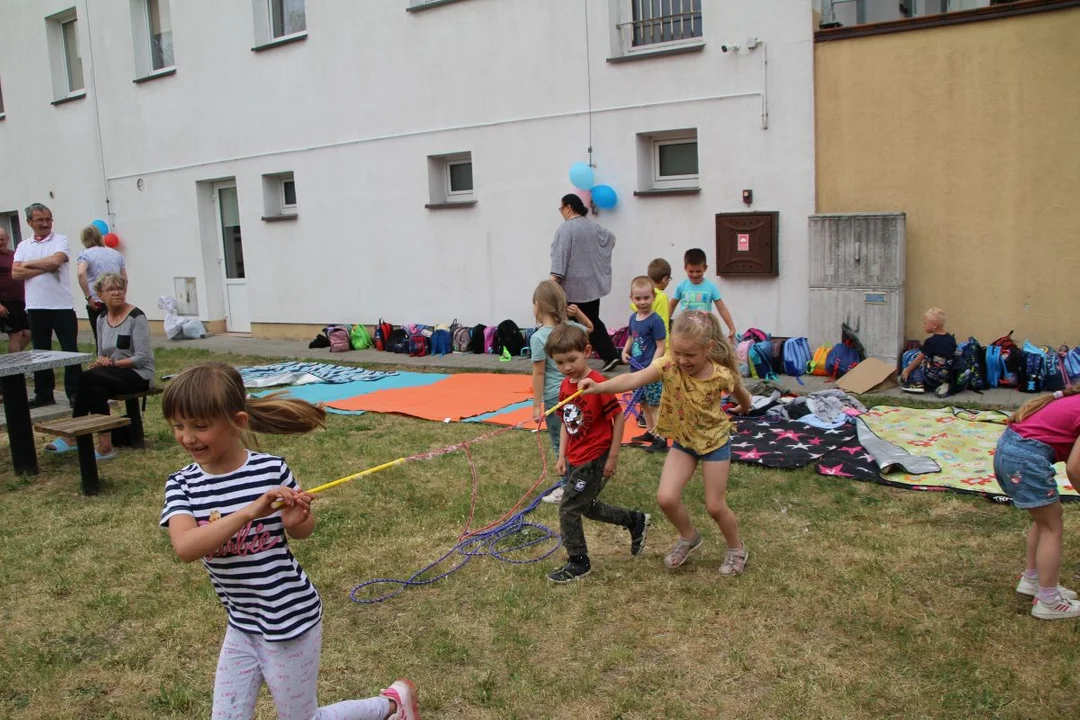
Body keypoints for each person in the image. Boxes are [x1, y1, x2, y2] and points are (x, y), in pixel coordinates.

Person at [159, 363, 420, 719]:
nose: (187, 437)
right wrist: (249, 512)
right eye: (178, 426)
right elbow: (186, 547)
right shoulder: (183, 485)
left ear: (237, 421)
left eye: (200, 426)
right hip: (242, 622)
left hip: (291, 620)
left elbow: (300, 532)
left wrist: (297, 520)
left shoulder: (270, 469)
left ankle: (392, 705)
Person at [580, 311, 752, 575]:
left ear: (708, 348)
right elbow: (633, 379)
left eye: (690, 355)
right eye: (678, 352)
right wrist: (600, 386)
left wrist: (744, 406)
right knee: (666, 498)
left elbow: (741, 392)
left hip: (714, 444)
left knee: (715, 506)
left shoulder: (720, 374)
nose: (682, 360)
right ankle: (689, 537)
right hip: (684, 442)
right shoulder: (667, 365)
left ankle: (736, 548)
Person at [544, 324, 648, 583]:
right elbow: (568, 423)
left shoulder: (599, 383)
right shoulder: (565, 387)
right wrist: (561, 457)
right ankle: (634, 520)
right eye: (559, 363)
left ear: (587, 351)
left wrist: (612, 457)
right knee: (585, 506)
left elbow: (620, 419)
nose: (567, 367)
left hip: (595, 457)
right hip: (575, 459)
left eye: (572, 359)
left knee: (569, 508)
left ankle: (578, 561)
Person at [992, 387, 1080, 620]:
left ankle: (1032, 580)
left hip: (1006, 453)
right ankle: (1048, 601)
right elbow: (1074, 467)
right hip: (1025, 461)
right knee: (1053, 526)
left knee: (1044, 520)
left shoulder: (1071, 399)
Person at [47, 273, 153, 459]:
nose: (116, 293)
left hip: (138, 375)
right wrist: (101, 361)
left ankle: (75, 434)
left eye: (120, 288)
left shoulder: (137, 317)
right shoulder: (101, 318)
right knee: (95, 387)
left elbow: (142, 358)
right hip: (110, 374)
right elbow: (102, 351)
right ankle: (105, 446)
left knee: (87, 378)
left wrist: (112, 363)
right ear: (100, 295)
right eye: (111, 289)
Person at [530, 279, 594, 505]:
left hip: (556, 400)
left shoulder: (538, 338)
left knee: (561, 443)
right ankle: (583, 481)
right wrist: (578, 314)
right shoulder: (572, 328)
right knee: (579, 437)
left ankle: (569, 486)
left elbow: (539, 374)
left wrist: (537, 405)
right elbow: (590, 329)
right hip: (579, 394)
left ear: (538, 306)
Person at [11, 203, 81, 407]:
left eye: (48, 219)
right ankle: (44, 393)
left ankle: (75, 393)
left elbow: (56, 262)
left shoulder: (60, 240)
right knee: (40, 351)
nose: (45, 224)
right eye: (39, 220)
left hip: (61, 306)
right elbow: (15, 273)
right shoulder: (24, 246)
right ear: (29, 222)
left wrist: (27, 264)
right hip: (35, 306)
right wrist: (42, 267)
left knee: (70, 350)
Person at [549, 193, 621, 371]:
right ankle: (605, 355)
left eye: (561, 209)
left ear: (568, 207)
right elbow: (611, 239)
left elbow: (561, 256)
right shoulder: (593, 226)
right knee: (591, 321)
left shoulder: (566, 229)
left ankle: (604, 356)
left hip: (573, 286)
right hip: (592, 284)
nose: (561, 213)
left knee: (576, 325)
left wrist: (553, 280)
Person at [622, 276, 667, 453]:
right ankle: (651, 431)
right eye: (638, 298)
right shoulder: (633, 318)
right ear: (632, 298)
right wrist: (625, 351)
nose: (642, 302)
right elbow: (631, 337)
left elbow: (661, 346)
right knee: (644, 404)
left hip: (651, 372)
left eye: (646, 297)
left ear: (653, 297)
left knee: (655, 405)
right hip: (636, 371)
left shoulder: (655, 321)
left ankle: (661, 439)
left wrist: (652, 367)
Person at [668, 248, 737, 343]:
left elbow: (722, 308)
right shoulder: (681, 286)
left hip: (705, 329)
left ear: (705, 268)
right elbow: (671, 305)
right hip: (686, 329)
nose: (695, 275)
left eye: (698, 271)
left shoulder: (711, 287)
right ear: (685, 268)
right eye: (691, 271)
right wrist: (664, 323)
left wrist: (731, 327)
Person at [77, 224, 126, 347]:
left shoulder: (85, 255)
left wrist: (88, 297)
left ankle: (103, 360)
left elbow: (81, 273)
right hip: (116, 299)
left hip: (98, 300)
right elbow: (124, 278)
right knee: (118, 333)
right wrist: (122, 294)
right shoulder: (116, 254)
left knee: (101, 336)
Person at [899, 308, 956, 397]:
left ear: (934, 325)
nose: (923, 325)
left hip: (931, 377)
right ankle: (943, 385)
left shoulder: (931, 341)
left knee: (914, 364)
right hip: (946, 375)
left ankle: (918, 384)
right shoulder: (951, 339)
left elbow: (918, 359)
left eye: (925, 323)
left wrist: (907, 370)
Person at [0, 226, 31, 353]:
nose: (0, 242)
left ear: (7, 239)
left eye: (2, 239)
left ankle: (11, 362)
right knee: (16, 335)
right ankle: (15, 370)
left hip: (20, 301)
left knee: (28, 334)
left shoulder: (14, 255)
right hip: (5, 303)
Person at [628, 258, 673, 339]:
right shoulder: (661, 297)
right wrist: (666, 347)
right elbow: (663, 324)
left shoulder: (638, 301)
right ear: (665, 279)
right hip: (657, 343)